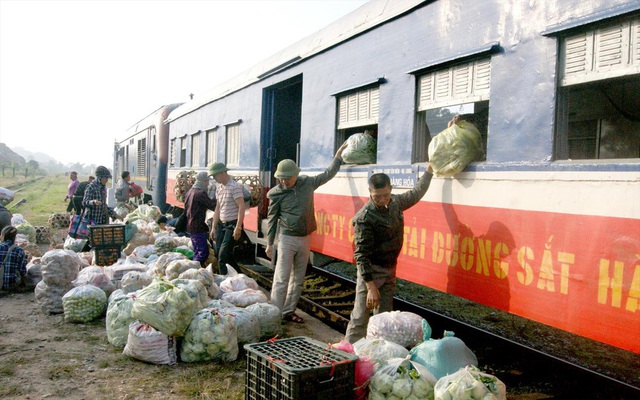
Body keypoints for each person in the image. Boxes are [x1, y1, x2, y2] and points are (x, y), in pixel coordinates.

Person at [344, 164, 434, 343]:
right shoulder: (365, 218)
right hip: (372, 272)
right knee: (360, 317)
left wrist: (429, 172)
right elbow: (361, 255)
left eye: (385, 195)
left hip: (390, 268)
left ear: (391, 190)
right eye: (377, 197)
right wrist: (370, 287)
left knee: (385, 319)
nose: (382, 200)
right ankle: (346, 354)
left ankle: (377, 355)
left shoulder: (395, 203)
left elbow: (416, 193)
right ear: (370, 192)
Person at [266, 141, 348, 323]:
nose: (283, 181)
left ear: (296, 175)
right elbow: (272, 219)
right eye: (281, 178)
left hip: (305, 238)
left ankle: (288, 311)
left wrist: (338, 157)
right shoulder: (276, 193)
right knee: (281, 278)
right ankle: (274, 315)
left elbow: (327, 175)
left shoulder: (307, 183)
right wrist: (270, 244)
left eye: (287, 178)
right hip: (287, 238)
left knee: (298, 279)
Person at [209, 162, 245, 275]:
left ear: (223, 173)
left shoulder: (234, 187)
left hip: (232, 225)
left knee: (222, 257)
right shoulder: (219, 188)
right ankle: (239, 277)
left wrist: (238, 227)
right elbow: (217, 208)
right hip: (222, 224)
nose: (214, 178)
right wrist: (213, 227)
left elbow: (241, 206)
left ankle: (224, 282)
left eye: (215, 175)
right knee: (222, 253)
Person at [184, 171, 217, 267]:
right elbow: (213, 206)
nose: (208, 184)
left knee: (197, 251)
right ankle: (193, 269)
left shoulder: (190, 192)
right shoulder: (200, 193)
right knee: (203, 253)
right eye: (207, 182)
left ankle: (193, 269)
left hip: (190, 225)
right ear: (205, 181)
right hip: (197, 226)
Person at [0, 226, 27, 292]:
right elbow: (23, 271)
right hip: (11, 285)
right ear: (14, 237)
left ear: (3, 236)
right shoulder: (19, 250)